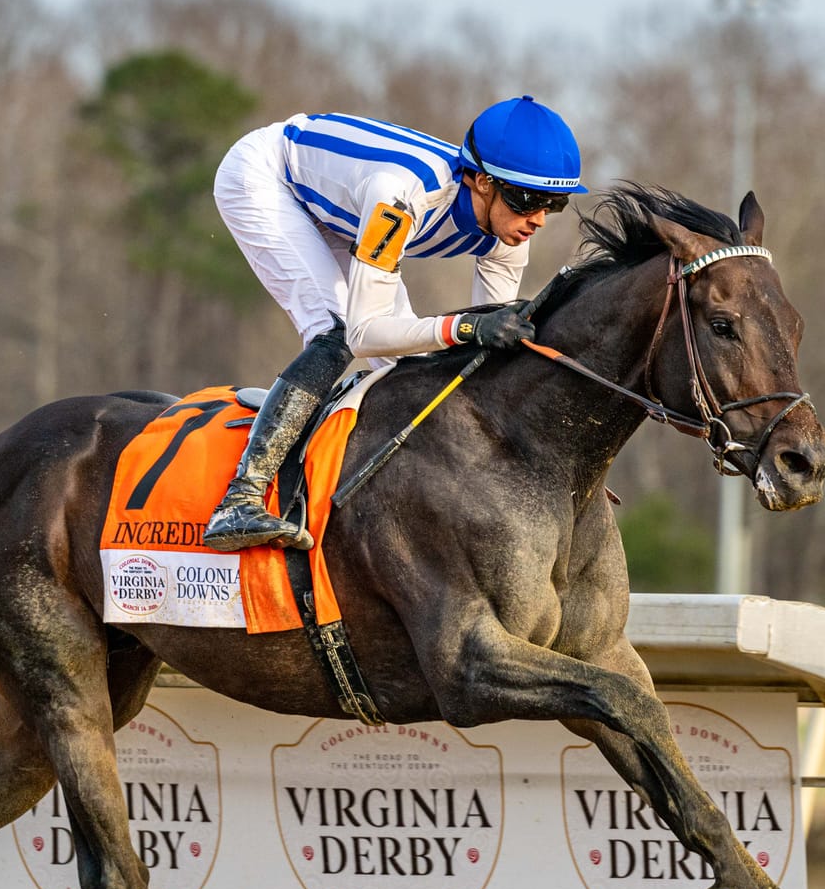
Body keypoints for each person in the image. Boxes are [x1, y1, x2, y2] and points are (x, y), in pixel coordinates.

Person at [202, 96, 586, 552]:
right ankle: (241, 497)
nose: (538, 219)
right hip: (268, 179)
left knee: (416, 364)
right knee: (336, 332)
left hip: (342, 207)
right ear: (482, 182)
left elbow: (482, 351)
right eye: (528, 200)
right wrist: (462, 328)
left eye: (554, 204)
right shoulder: (402, 197)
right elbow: (365, 334)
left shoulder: (509, 233)